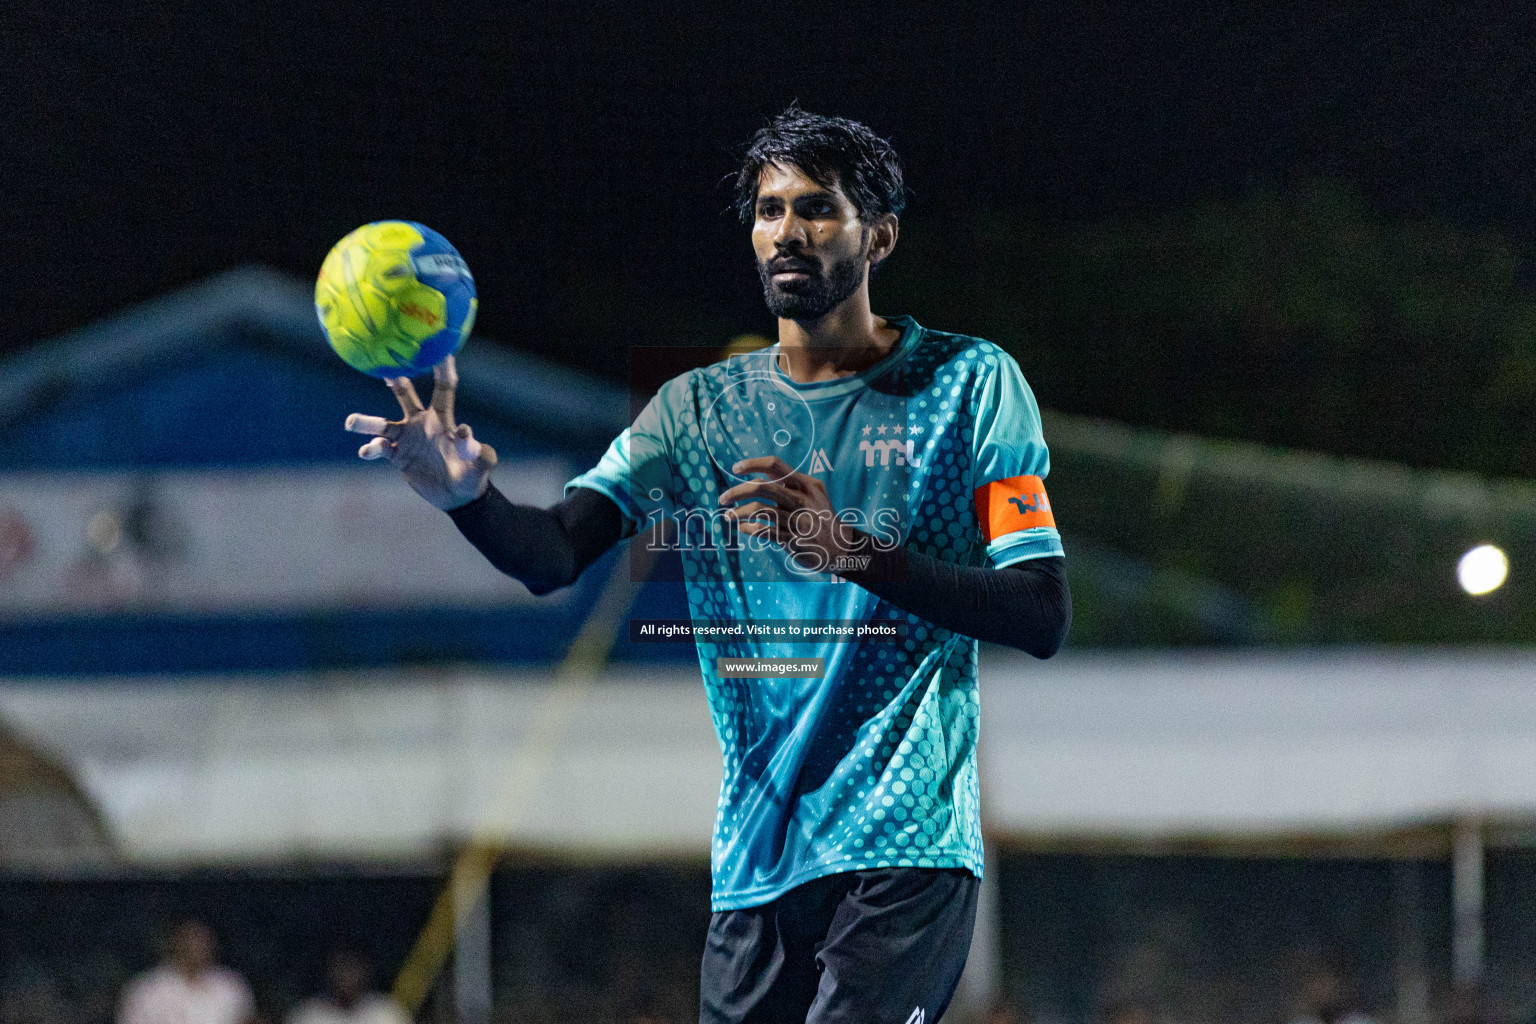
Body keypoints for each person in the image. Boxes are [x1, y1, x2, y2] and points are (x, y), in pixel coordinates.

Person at [345, 104, 1071, 1023]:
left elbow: (1040, 611)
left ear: (879, 235)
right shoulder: (695, 413)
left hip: (904, 847)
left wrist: (850, 550)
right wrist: (464, 499)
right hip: (757, 861)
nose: (786, 232)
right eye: (768, 211)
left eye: (817, 208)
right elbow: (553, 554)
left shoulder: (970, 384)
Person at [118, 918, 257, 1024]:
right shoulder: (146, 989)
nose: (197, 946)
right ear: (175, 942)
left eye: (202, 939)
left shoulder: (231, 986)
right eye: (190, 939)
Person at [285, 947, 406, 1024]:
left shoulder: (385, 1012)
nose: (346, 976)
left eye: (352, 969)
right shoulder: (309, 1015)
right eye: (341, 967)